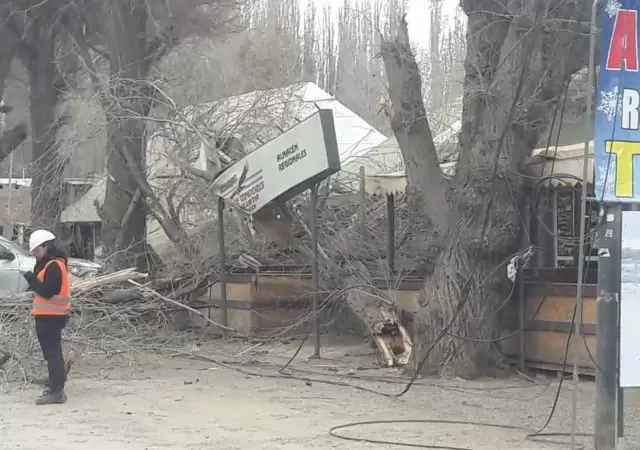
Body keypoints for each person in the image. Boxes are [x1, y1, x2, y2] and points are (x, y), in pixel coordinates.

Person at [22, 229, 70, 405]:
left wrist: (30, 279)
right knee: (52, 353)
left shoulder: (54, 266)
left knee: (52, 353)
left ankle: (57, 391)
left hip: (51, 316)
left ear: (46, 246)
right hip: (50, 316)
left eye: (37, 250)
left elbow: (48, 291)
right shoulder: (51, 264)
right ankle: (55, 384)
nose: (35, 255)